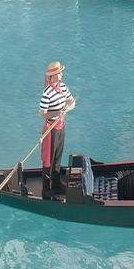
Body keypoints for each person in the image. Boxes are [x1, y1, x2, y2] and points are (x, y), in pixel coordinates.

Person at [38, 61, 76, 199]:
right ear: (53, 75)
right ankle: (46, 190)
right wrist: (55, 114)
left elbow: (72, 101)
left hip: (61, 126)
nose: (62, 75)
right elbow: (42, 113)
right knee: (49, 159)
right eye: (59, 73)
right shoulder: (47, 93)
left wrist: (67, 109)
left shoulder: (64, 88)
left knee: (58, 156)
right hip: (51, 129)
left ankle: (55, 184)